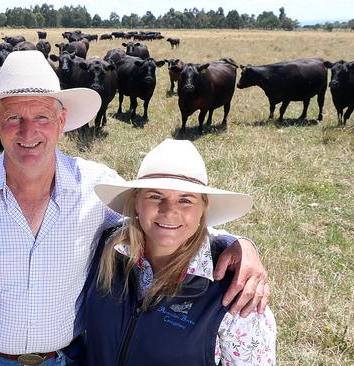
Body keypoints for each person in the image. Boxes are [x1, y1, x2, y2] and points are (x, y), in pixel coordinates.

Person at [0, 51, 270, 366]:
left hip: (73, 358)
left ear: (61, 121)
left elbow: (159, 227)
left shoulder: (94, 184)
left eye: (40, 116)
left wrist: (235, 243)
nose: (27, 130)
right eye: (13, 116)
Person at [84, 139, 276, 365]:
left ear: (203, 209)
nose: (169, 211)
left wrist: (244, 244)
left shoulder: (236, 291)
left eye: (186, 200)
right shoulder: (108, 249)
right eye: (155, 196)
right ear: (136, 202)